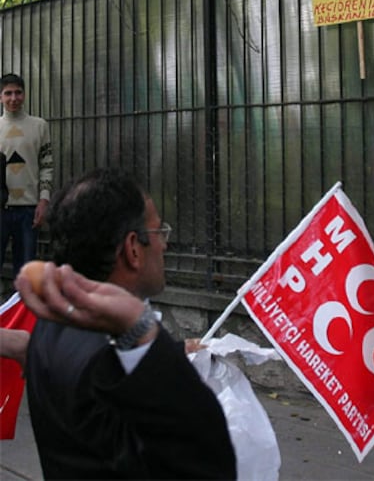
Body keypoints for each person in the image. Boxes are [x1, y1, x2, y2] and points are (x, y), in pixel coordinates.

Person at [15, 167, 236, 480]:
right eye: (159, 232)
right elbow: (205, 462)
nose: (165, 245)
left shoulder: (51, 326)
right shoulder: (112, 361)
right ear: (133, 248)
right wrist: (143, 334)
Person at [0, 73, 53, 278]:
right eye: (8, 93)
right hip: (1, 209)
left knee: (26, 275)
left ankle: (25, 311)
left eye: (18, 92)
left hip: (29, 210)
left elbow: (47, 165)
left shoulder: (39, 126)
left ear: (25, 94)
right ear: (1, 97)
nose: (14, 98)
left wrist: (44, 200)